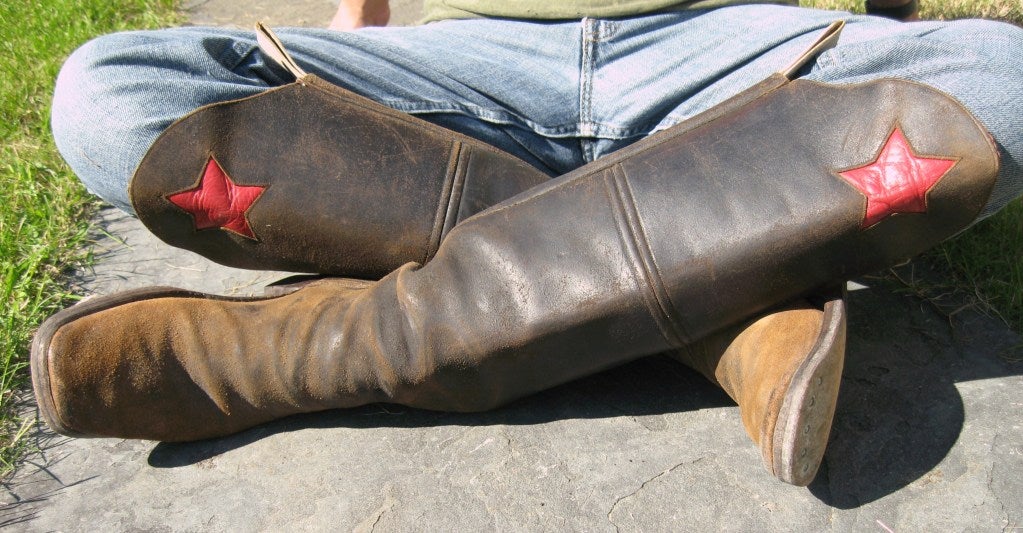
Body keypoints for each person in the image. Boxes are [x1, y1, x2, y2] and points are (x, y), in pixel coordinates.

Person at [33, 0, 1021, 487]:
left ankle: (318, 348)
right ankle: (719, 316)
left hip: (721, 56)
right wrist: (348, 52)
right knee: (112, 98)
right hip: (469, 65)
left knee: (1001, 84)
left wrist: (881, 44)